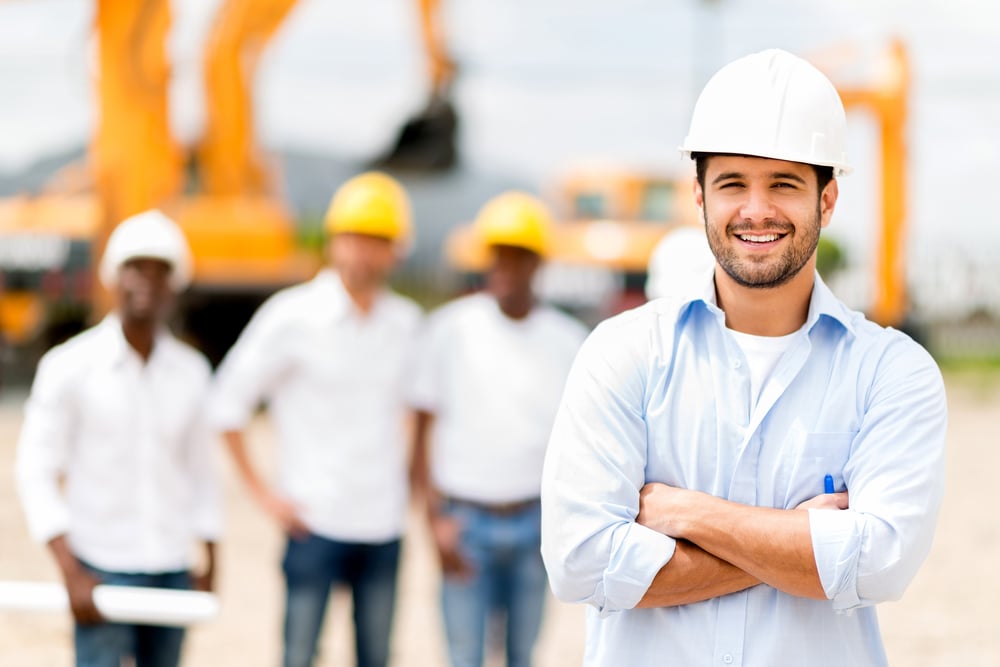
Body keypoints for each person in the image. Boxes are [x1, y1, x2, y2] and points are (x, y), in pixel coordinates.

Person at [540, 49, 947, 666]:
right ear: (700, 197)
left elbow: (877, 565)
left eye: (783, 183)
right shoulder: (622, 353)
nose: (757, 209)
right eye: (733, 183)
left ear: (828, 199)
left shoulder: (894, 372)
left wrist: (687, 512)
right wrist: (799, 545)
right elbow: (581, 563)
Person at [208, 172, 422, 667]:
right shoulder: (292, 317)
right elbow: (227, 403)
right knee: (299, 656)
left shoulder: (406, 325)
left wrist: (413, 484)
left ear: (396, 251)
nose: (365, 253)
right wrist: (264, 495)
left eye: (378, 241)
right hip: (313, 523)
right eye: (356, 238)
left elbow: (421, 412)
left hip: (382, 524)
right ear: (333, 242)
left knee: (377, 656)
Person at [15, 209, 221, 667]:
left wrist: (210, 556)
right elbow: (35, 470)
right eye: (136, 268)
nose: (147, 281)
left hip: (171, 568)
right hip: (99, 568)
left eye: (159, 271)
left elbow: (201, 471)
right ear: (114, 278)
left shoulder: (191, 373)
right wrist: (71, 572)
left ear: (175, 284)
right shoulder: (69, 367)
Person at [409, 192, 589, 667]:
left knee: (522, 656)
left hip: (535, 524)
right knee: (464, 655)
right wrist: (434, 524)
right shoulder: (450, 330)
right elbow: (419, 431)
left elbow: (579, 445)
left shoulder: (567, 340)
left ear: (538, 263)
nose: (507, 266)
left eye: (519, 256)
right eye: (499, 255)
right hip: (464, 520)